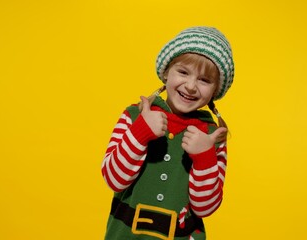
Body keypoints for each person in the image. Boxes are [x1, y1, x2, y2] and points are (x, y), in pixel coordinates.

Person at [101, 26, 235, 240]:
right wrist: (141, 132)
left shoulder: (212, 135)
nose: (191, 86)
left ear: (216, 90)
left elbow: (205, 208)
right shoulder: (134, 116)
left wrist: (204, 157)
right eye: (183, 72)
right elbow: (114, 180)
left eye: (204, 80)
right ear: (166, 72)